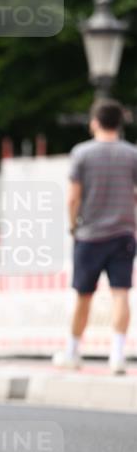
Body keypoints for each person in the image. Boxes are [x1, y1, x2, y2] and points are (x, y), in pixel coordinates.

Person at [54, 98, 137, 375]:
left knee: (83, 296)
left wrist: (73, 226)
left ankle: (73, 351)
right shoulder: (131, 154)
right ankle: (117, 354)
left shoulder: (82, 153)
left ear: (95, 122)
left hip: (89, 234)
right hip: (124, 232)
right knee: (121, 293)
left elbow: (72, 197)